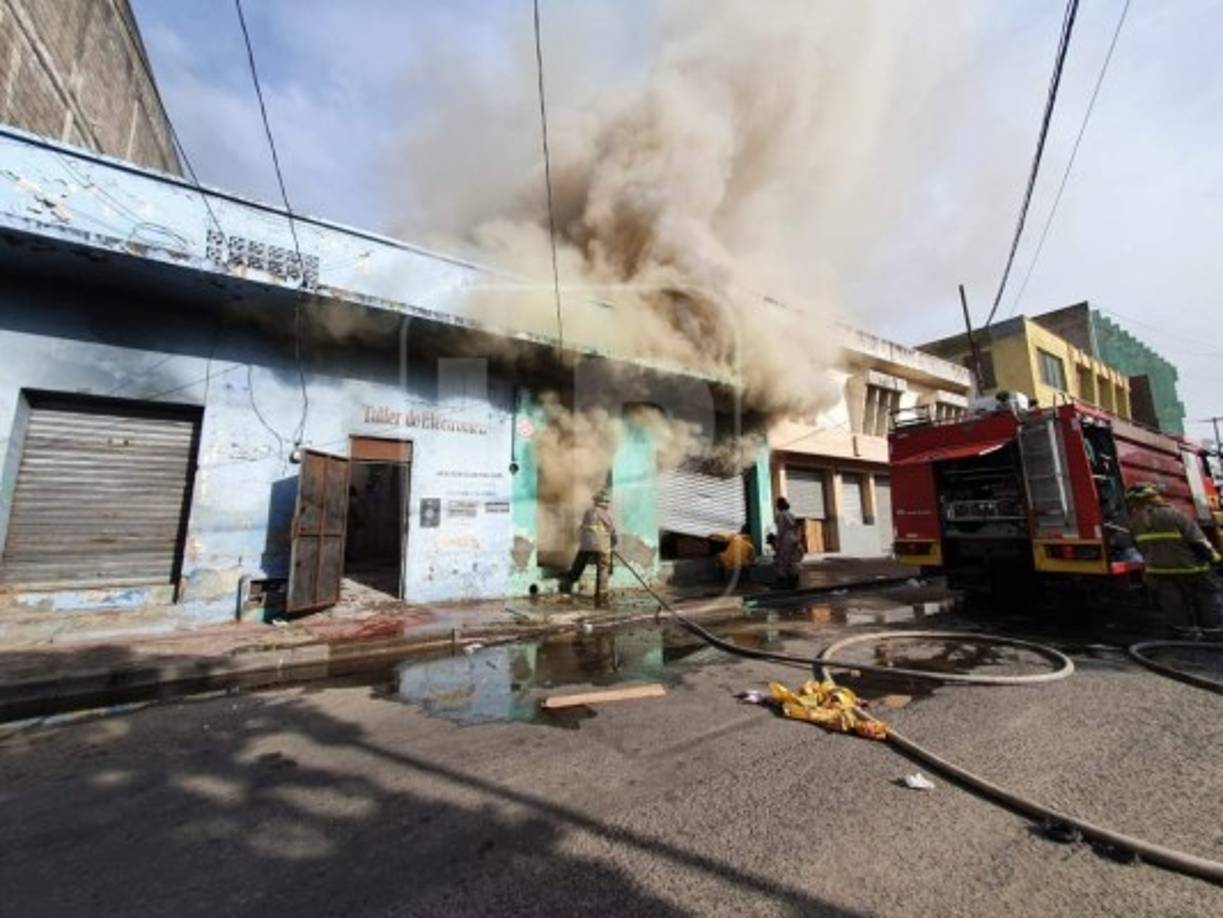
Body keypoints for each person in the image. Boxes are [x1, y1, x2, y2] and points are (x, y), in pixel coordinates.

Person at [1125, 482, 1223, 640]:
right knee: (1207, 600)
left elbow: (1138, 547)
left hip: (1159, 572)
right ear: (1154, 497)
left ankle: (1183, 635)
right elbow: (1199, 542)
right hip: (1192, 569)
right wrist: (1216, 560)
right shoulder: (1175, 515)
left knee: (1174, 604)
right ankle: (1214, 634)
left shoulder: (1134, 523)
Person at [566, 489, 617, 608]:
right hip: (603, 546)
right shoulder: (606, 514)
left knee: (580, 561)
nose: (608, 504)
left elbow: (582, 528)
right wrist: (613, 543)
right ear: (603, 502)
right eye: (607, 502)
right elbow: (612, 531)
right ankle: (601, 597)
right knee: (603, 569)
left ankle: (569, 582)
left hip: (586, 545)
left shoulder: (588, 512)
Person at [773, 496, 803, 590]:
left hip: (785, 539)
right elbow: (796, 527)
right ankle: (794, 579)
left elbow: (781, 529)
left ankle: (783, 581)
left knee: (783, 561)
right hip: (793, 538)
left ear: (779, 505)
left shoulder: (781, 515)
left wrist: (777, 541)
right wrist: (797, 538)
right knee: (792, 560)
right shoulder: (791, 514)